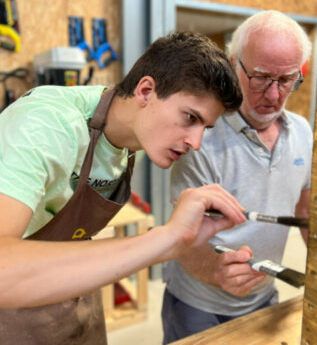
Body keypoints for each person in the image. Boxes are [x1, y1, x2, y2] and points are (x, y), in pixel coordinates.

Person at [0, 31, 246, 345]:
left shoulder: (129, 139)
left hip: (78, 297)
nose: (196, 143)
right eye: (190, 117)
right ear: (145, 91)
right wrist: (166, 239)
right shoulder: (47, 124)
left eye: (205, 128)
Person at [162, 11, 313, 343]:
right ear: (234, 65)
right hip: (198, 304)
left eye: (286, 80)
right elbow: (183, 235)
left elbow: (304, 211)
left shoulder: (302, 132)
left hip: (265, 296)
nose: (273, 95)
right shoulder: (203, 136)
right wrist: (216, 271)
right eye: (259, 77)